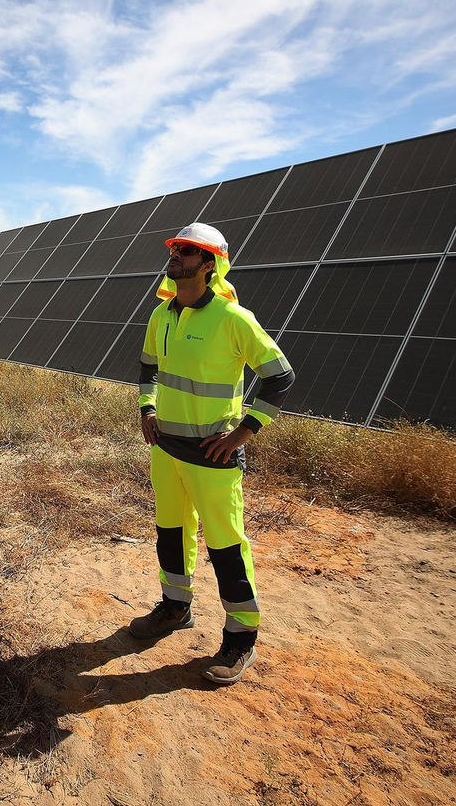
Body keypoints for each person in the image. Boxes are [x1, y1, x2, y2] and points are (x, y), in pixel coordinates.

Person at [130, 222, 295, 685]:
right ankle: (175, 608)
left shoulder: (232, 318)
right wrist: (147, 406)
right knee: (170, 531)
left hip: (213, 457)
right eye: (175, 249)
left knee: (225, 545)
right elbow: (147, 366)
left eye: (187, 251)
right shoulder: (161, 315)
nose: (176, 255)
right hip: (166, 450)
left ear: (210, 264)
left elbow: (280, 377)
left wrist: (243, 433)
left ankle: (241, 639)